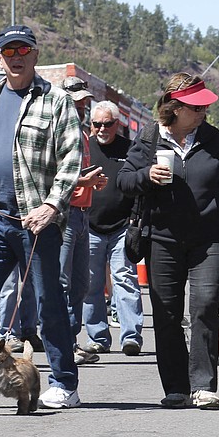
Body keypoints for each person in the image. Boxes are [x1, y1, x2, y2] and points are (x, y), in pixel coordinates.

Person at [0, 25, 84, 410]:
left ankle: (64, 383)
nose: (16, 57)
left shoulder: (57, 102)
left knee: (50, 305)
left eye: (23, 50)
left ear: (34, 55)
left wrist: (52, 205)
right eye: (9, 51)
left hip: (37, 222)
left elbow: (71, 158)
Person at [117, 73, 219, 409]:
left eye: (205, 105)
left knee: (205, 305)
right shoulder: (149, 139)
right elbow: (123, 181)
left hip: (210, 239)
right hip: (162, 239)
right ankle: (176, 386)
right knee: (166, 313)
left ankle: (203, 384)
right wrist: (145, 177)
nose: (204, 111)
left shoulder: (212, 138)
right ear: (174, 108)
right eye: (197, 106)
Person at [83, 101, 144, 356]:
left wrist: (134, 218)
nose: (101, 129)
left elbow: (140, 187)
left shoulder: (130, 150)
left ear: (116, 124)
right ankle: (98, 337)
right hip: (90, 226)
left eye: (107, 124)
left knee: (125, 280)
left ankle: (131, 337)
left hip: (122, 228)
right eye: (96, 124)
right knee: (91, 284)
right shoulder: (84, 148)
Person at [59, 77, 108, 366]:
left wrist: (93, 183)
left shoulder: (83, 132)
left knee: (80, 284)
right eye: (75, 98)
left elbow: (79, 174)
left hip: (81, 214)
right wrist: (83, 181)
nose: (81, 103)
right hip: (63, 213)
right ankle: (63, 343)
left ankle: (72, 340)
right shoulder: (57, 130)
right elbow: (52, 175)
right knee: (63, 283)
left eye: (83, 98)